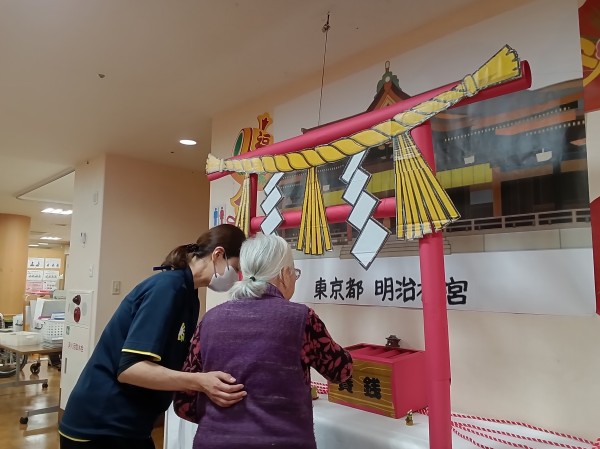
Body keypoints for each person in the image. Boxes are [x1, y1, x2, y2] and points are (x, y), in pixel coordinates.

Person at [59, 224, 248, 449]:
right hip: (99, 425)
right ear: (218, 254)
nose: (235, 277)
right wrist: (200, 382)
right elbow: (131, 369)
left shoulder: (189, 295)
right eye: (235, 267)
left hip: (132, 425)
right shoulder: (168, 288)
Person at [174, 234, 353, 449]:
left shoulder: (209, 319)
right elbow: (341, 371)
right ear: (284, 274)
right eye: (294, 273)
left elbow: (184, 402)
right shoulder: (301, 318)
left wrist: (223, 424)